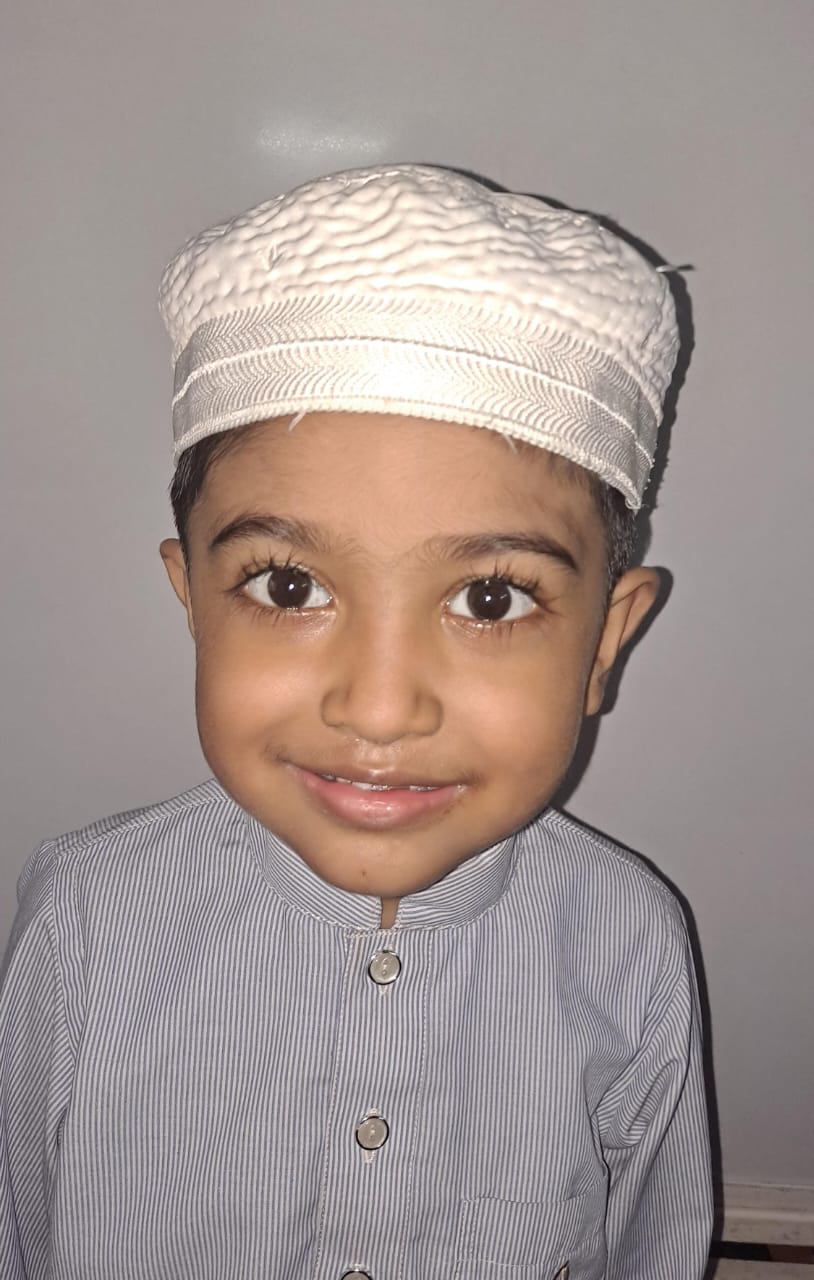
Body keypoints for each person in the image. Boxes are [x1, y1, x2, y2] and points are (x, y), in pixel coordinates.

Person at [0, 164, 712, 1278]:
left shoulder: (628, 938)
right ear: (192, 600)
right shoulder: (86, 913)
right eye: (289, 587)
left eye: (489, 599)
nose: (378, 707)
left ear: (605, 641)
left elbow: (655, 1242)